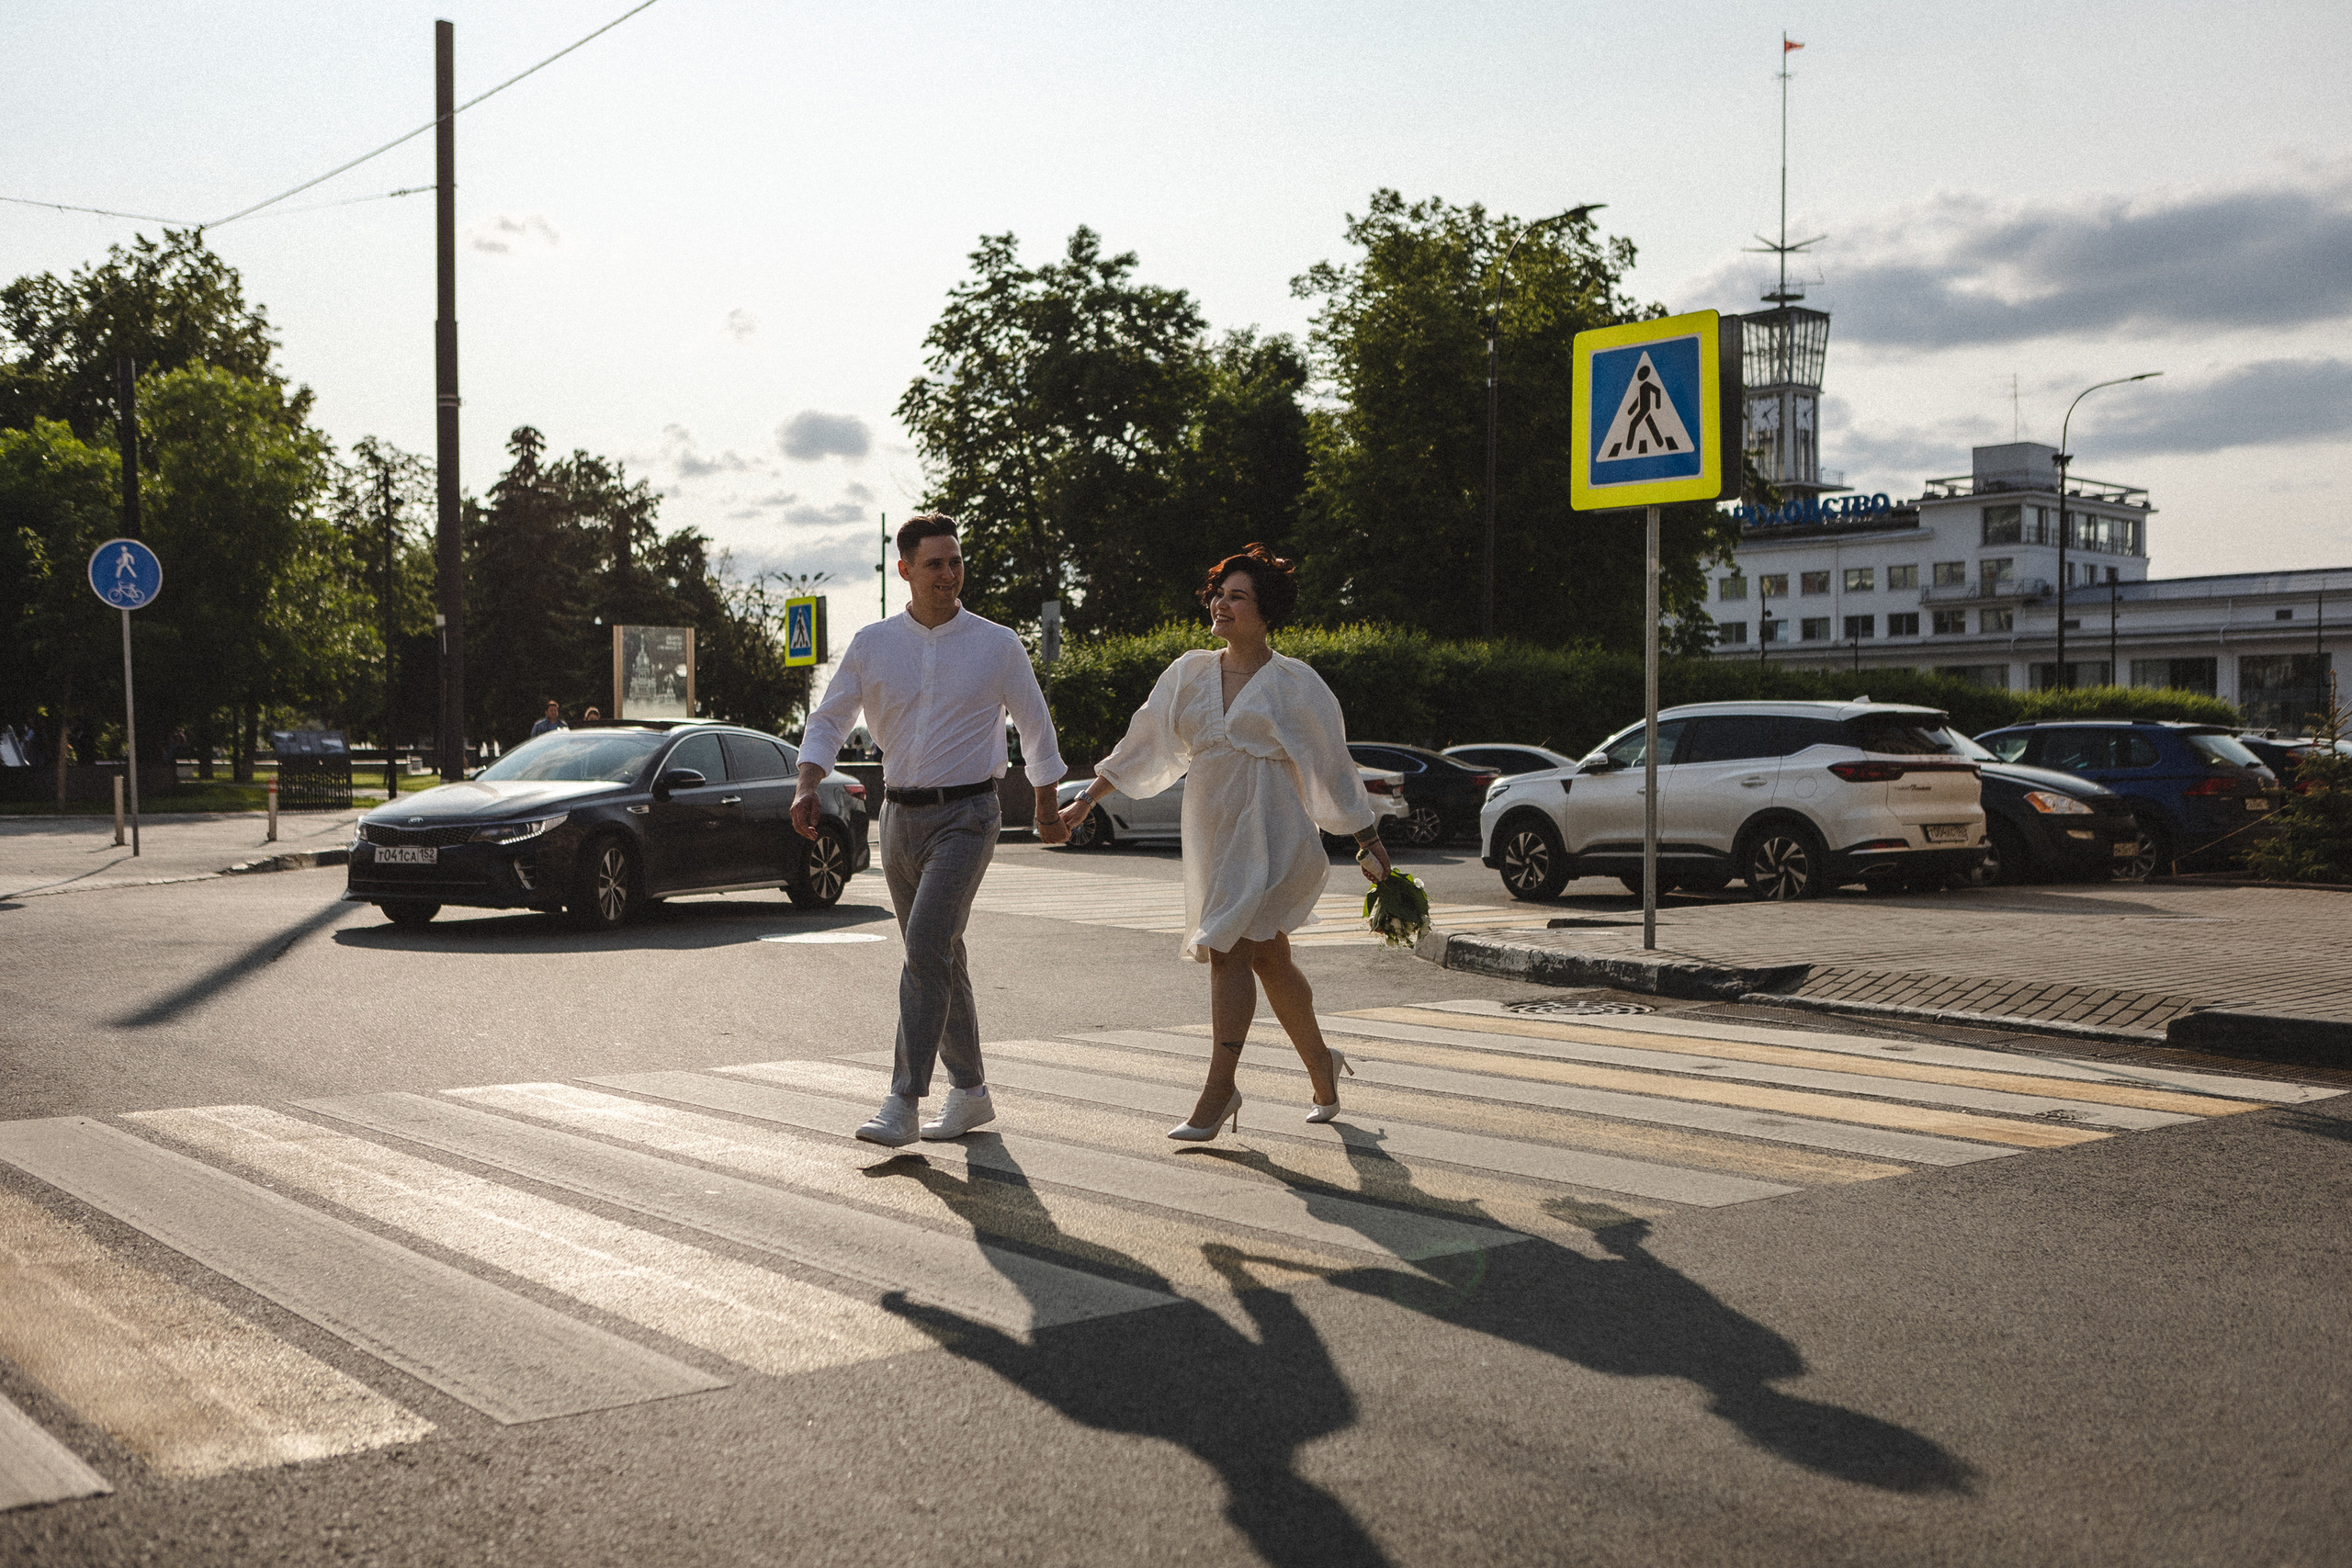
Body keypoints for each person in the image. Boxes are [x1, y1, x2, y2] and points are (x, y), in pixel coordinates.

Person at [1058, 544, 1389, 1140]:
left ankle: (1220, 1088)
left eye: (1237, 596)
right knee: (1269, 956)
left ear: (1267, 611)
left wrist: (1367, 838)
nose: (1222, 603)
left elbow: (1331, 765)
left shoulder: (1295, 684)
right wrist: (1087, 799)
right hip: (1213, 833)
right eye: (1219, 592)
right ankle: (1323, 1064)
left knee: (1227, 948)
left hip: (1272, 831)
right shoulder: (1188, 672)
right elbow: (1146, 742)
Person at [795, 513, 1069, 1146]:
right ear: (905, 570)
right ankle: (970, 1090)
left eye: (956, 561)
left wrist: (1048, 810)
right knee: (941, 955)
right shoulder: (872, 643)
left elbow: (1037, 728)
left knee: (925, 948)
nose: (949, 574)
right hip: (898, 819)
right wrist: (808, 784)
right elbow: (830, 719)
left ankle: (902, 1098)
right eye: (935, 564)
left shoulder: (996, 643)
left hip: (969, 814)